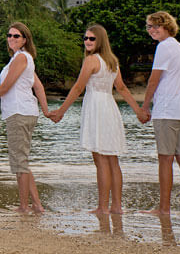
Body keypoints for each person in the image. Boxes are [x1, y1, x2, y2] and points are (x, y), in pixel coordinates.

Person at [48, 24, 148, 214]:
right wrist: (138, 111)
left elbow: (78, 88)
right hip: (109, 107)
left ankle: (103, 207)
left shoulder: (91, 60)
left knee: (101, 159)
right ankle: (116, 206)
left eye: (91, 39)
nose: (87, 41)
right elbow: (121, 88)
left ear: (100, 40)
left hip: (97, 108)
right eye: (85, 38)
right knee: (112, 160)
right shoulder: (113, 62)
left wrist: (61, 111)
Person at [0, 22, 51, 213]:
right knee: (21, 161)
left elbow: (6, 87)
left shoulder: (21, 58)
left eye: (16, 36)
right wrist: (46, 110)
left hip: (19, 112)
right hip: (23, 112)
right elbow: (38, 86)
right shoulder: (22, 58)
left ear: (25, 39)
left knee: (19, 162)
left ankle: (24, 206)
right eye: (9, 35)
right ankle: (37, 205)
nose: (11, 39)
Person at [141, 11, 180, 216]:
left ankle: (163, 208)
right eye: (149, 26)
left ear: (167, 26)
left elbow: (153, 81)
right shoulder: (179, 47)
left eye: (157, 26)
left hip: (167, 111)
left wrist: (145, 106)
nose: (152, 30)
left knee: (165, 159)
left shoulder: (164, 47)